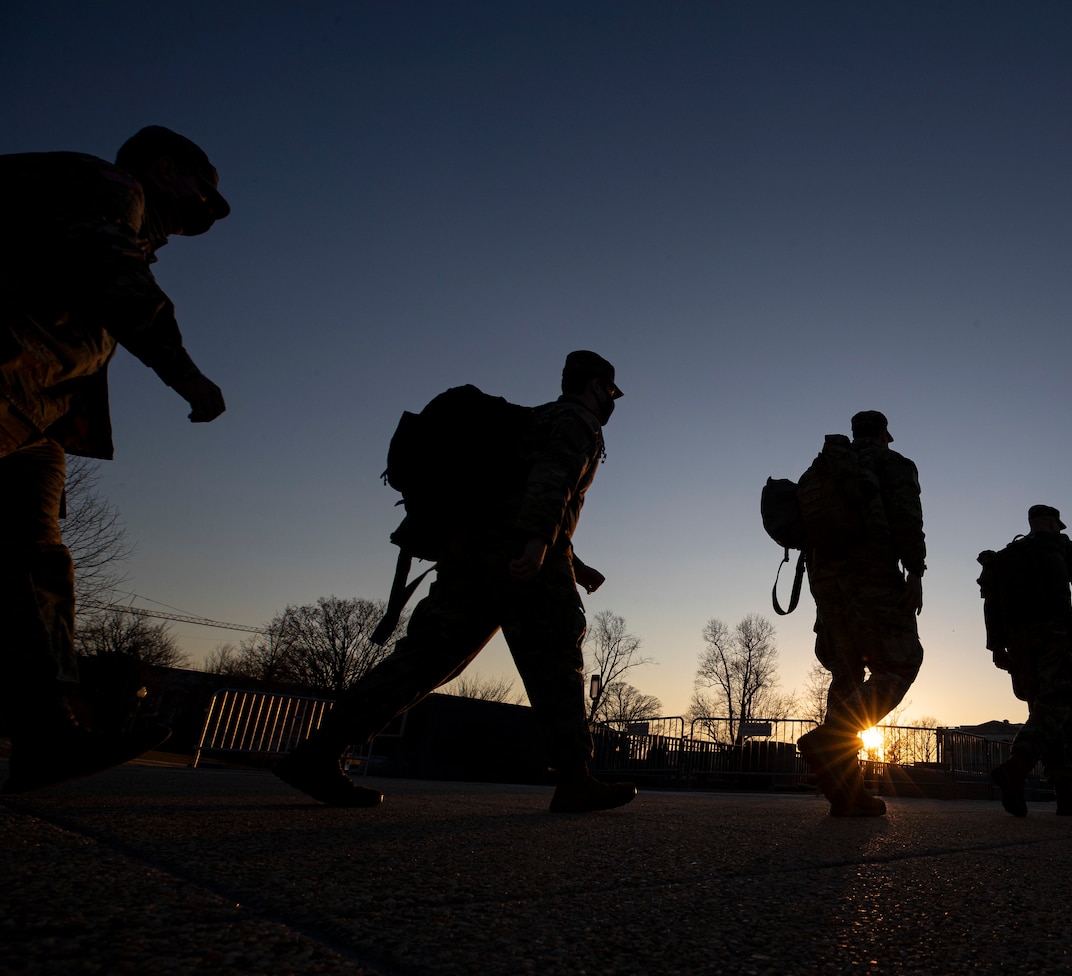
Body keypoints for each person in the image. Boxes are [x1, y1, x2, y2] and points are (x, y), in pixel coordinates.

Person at [273, 350, 636, 813]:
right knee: (557, 659)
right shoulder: (578, 421)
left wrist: (570, 559)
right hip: (523, 562)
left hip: (470, 556)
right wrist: (537, 541)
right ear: (594, 386)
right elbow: (553, 480)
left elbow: (517, 496)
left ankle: (318, 753)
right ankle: (575, 780)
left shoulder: (531, 423)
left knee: (425, 658)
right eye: (610, 391)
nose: (610, 401)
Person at [1, 127, 231, 794]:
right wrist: (186, 375)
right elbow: (112, 277)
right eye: (201, 187)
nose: (206, 208)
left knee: (34, 558)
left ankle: (48, 732)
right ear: (164, 169)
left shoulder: (112, 216)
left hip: (30, 418)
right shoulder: (110, 187)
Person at [795, 410, 925, 817]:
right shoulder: (893, 463)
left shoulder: (825, 466)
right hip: (872, 575)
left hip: (825, 579)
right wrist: (915, 570)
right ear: (884, 434)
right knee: (900, 663)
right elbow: (906, 516)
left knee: (847, 675)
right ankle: (833, 735)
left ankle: (846, 791)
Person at [981, 505, 1072, 817]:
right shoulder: (1062, 547)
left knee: (1042, 711)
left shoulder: (1007, 555)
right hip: (1055, 635)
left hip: (1018, 642)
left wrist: (997, 647)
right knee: (1059, 702)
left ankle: (1065, 796)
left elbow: (991, 604)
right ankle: (1018, 765)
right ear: (1053, 524)